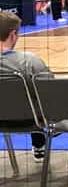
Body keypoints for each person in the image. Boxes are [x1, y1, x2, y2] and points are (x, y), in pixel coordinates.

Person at [0, 11, 51, 160]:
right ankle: (39, 146)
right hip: (32, 120)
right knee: (38, 96)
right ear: (13, 34)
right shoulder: (30, 61)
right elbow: (52, 91)